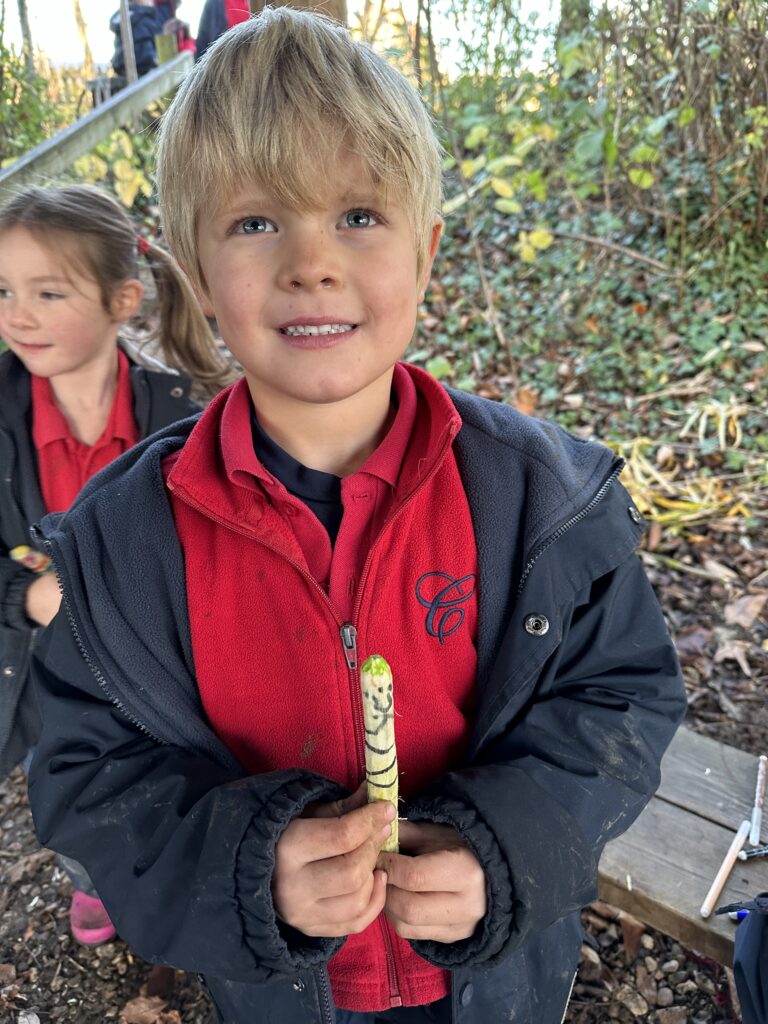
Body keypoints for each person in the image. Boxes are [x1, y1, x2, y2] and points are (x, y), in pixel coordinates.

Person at [27, 10, 687, 1023]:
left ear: (423, 256)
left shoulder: (540, 498)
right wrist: (253, 869)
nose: (312, 262)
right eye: (256, 223)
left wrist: (502, 848)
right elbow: (89, 781)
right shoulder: (126, 543)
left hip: (491, 977)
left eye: (359, 217)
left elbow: (620, 704)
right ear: (196, 275)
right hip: (283, 988)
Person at [0, 183, 232, 946]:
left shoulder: (179, 416)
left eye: (47, 291)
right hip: (46, 671)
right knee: (69, 788)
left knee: (171, 772)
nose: (17, 314)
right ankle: (93, 879)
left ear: (121, 299)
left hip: (160, 658)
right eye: (3, 289)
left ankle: (186, 879)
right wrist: (30, 594)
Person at [110, 0, 194, 82]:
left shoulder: (128, 18)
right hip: (145, 70)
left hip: (126, 69)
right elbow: (148, 52)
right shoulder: (146, 19)